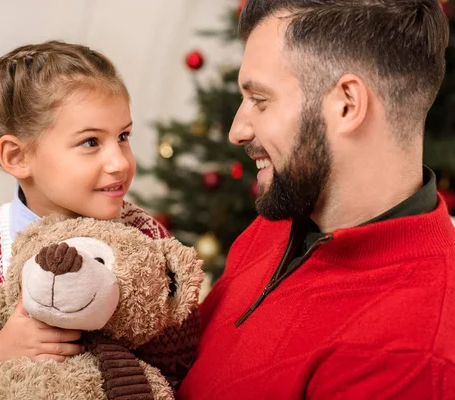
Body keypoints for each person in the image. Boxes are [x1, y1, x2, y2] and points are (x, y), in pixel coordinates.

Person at [178, 0, 455, 399]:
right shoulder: (281, 219)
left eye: (260, 100)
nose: (237, 130)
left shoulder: (410, 357)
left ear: (346, 104)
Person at [0, 40, 198, 399]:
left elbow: (182, 361)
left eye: (123, 136)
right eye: (91, 142)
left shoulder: (145, 235)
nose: (120, 162)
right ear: (17, 156)